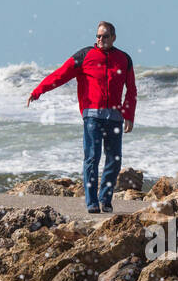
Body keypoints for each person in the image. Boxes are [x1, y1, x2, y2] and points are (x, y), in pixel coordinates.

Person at [26, 21, 137, 213]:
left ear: (114, 38)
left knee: (114, 159)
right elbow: (60, 75)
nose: (100, 40)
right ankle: (92, 202)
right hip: (92, 116)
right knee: (92, 158)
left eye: (105, 36)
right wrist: (38, 91)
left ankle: (106, 199)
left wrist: (129, 115)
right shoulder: (84, 55)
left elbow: (132, 89)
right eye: (98, 36)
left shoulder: (124, 59)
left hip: (115, 118)